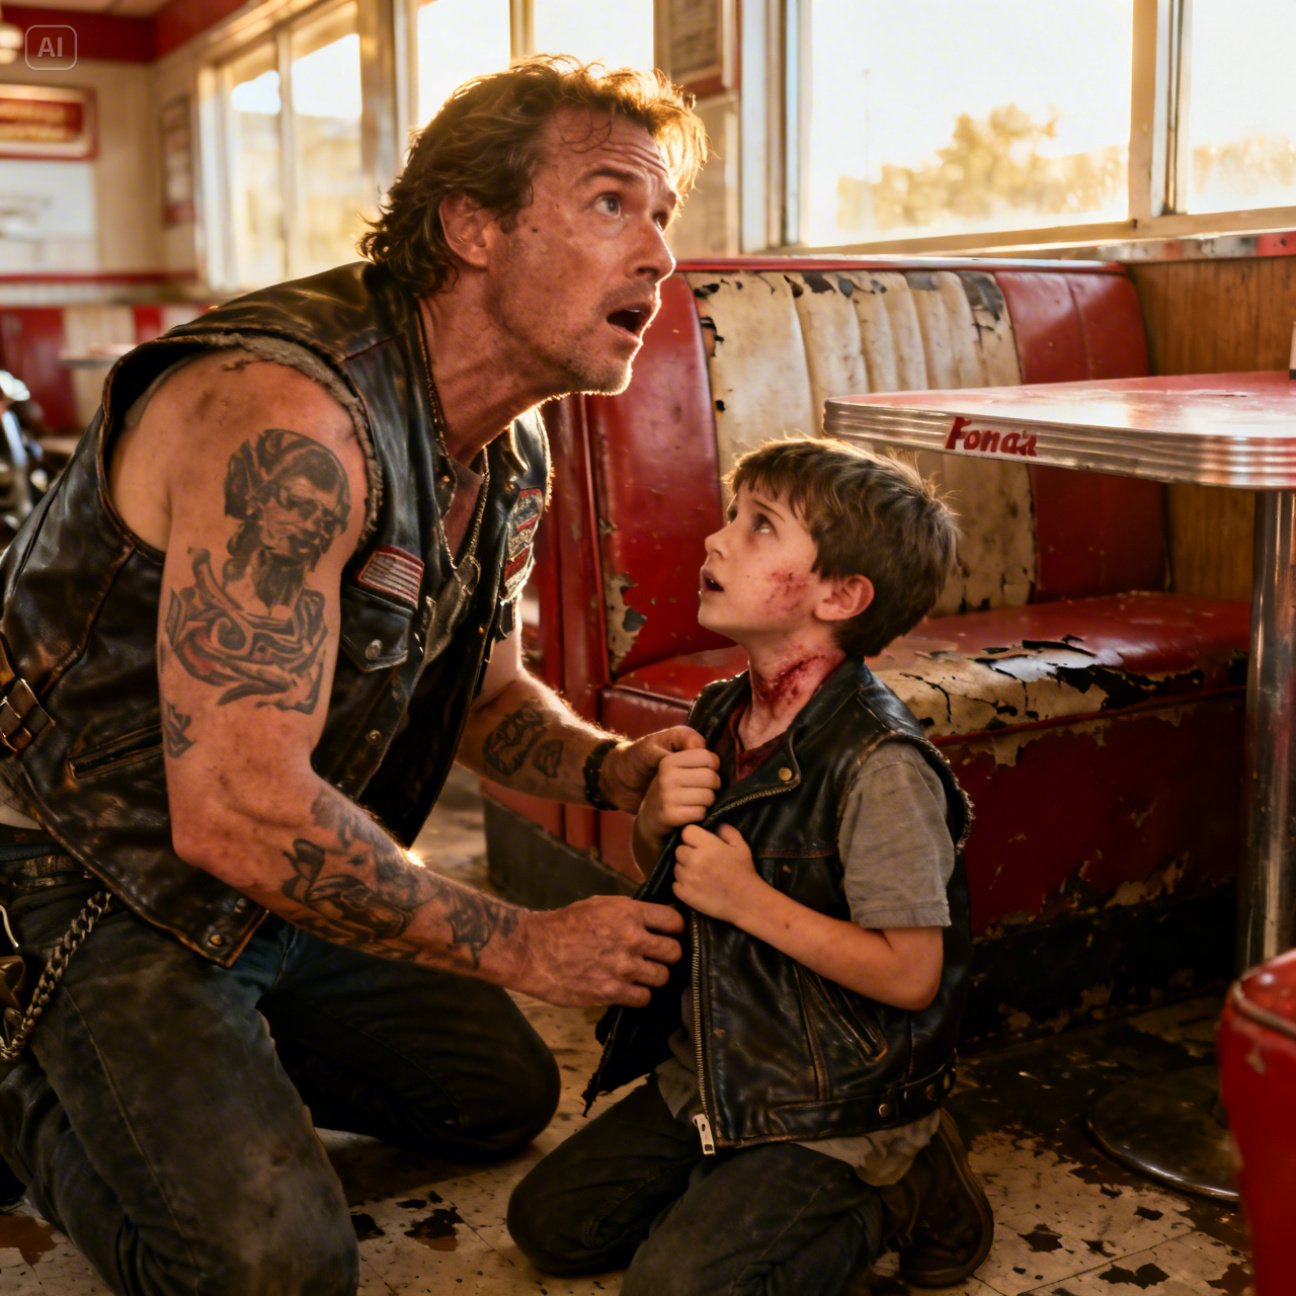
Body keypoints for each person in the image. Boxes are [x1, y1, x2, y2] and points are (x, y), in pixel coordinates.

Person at [0, 57, 709, 1295]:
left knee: (495, 1098)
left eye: (663, 216)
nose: (658, 255)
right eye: (612, 203)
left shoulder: (510, 450)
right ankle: (25, 1071)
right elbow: (235, 809)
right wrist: (530, 945)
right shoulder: (287, 417)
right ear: (471, 226)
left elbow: (487, 697)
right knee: (274, 1272)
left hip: (266, 871)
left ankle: (195, 1062)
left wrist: (615, 771)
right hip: (88, 871)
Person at [508, 438, 995, 1294]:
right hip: (718, 1068)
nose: (717, 539)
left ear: (839, 596)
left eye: (759, 526)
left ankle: (901, 1188)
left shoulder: (879, 766)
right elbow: (680, 872)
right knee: (548, 1225)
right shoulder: (721, 712)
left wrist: (748, 901)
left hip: (833, 1099)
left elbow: (913, 974)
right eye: (734, 515)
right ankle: (738, 1190)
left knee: (668, 1292)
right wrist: (654, 821)